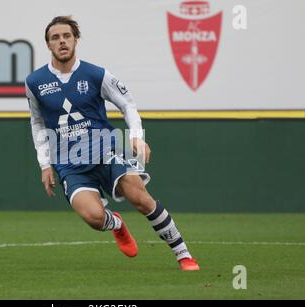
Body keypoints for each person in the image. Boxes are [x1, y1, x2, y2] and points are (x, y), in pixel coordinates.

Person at [25, 16, 199, 271]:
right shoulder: (35, 82)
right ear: (48, 44)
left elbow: (127, 103)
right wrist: (44, 164)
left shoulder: (96, 74)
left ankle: (184, 255)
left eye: (66, 36)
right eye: (55, 38)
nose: (62, 41)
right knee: (94, 218)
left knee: (141, 199)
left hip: (104, 151)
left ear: (76, 40)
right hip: (69, 163)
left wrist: (137, 136)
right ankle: (116, 224)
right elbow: (37, 122)